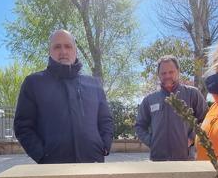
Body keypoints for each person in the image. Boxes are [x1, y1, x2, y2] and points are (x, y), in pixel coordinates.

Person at [14, 29, 114, 163]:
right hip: (53, 168)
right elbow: (23, 126)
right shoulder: (34, 83)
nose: (63, 51)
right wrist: (41, 155)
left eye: (68, 46)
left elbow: (106, 120)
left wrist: (104, 146)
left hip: (93, 163)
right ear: (50, 51)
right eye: (57, 47)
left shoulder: (94, 84)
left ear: (75, 50)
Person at [135, 56, 207, 160]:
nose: (167, 76)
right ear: (158, 75)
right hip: (158, 159)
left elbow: (205, 119)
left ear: (178, 71)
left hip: (185, 158)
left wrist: (192, 138)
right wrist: (151, 141)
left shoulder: (192, 94)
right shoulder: (149, 99)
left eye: (171, 72)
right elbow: (139, 126)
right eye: (163, 73)